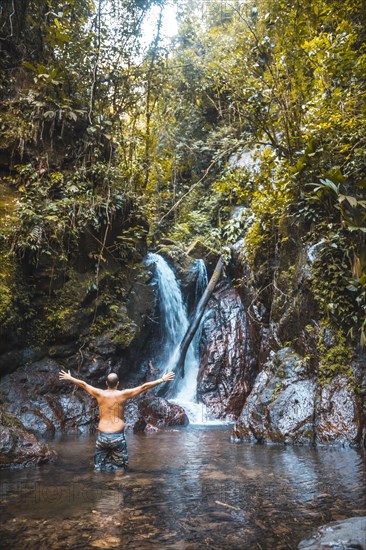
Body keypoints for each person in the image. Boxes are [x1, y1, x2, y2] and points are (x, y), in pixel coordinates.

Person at [59, 368, 175, 471]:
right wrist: (162, 379)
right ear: (118, 383)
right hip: (117, 437)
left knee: (99, 466)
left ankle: (99, 490)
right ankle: (118, 489)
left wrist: (69, 378)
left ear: (106, 383)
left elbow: (83, 384)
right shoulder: (123, 394)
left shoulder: (99, 393)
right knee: (119, 467)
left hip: (102, 436)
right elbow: (143, 387)